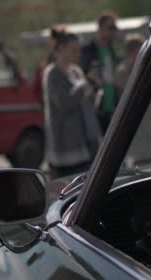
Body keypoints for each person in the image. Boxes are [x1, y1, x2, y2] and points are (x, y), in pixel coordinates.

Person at [44, 29, 102, 177]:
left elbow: (88, 104)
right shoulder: (53, 73)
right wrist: (85, 85)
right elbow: (64, 103)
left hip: (85, 142)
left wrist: (95, 90)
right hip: (65, 149)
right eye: (74, 50)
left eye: (79, 50)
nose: (78, 54)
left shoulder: (76, 71)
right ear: (61, 49)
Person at [81, 11, 120, 132]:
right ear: (100, 29)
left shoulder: (111, 51)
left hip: (112, 107)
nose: (114, 31)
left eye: (115, 28)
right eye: (111, 27)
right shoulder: (87, 51)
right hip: (95, 109)